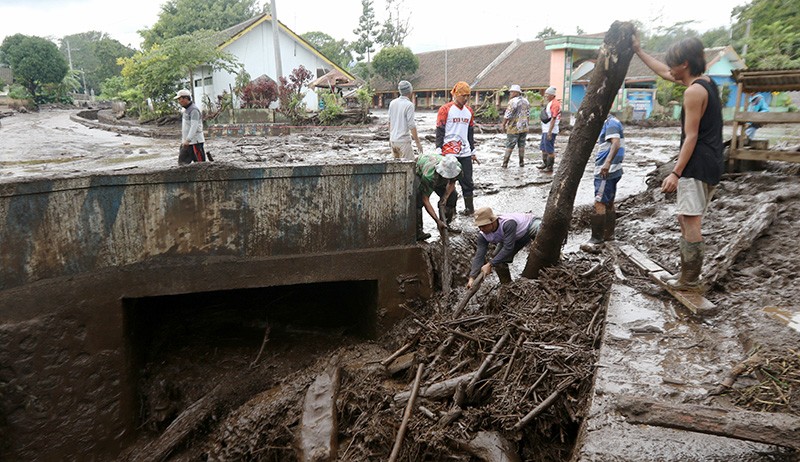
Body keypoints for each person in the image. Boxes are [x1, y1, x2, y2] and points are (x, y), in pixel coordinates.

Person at [634, 36, 724, 291]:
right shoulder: (706, 83)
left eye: (673, 64)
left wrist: (675, 172)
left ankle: (690, 280)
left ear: (684, 64)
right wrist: (639, 51)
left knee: (691, 220)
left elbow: (691, 136)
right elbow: (663, 72)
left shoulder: (693, 92)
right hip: (711, 161)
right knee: (685, 218)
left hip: (697, 165)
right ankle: (687, 275)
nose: (669, 69)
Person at [581, 112, 625, 253]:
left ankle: (596, 239)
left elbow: (616, 143)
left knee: (599, 202)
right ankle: (608, 235)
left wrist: (606, 163)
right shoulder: (613, 122)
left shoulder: (610, 123)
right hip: (614, 169)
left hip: (606, 171)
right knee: (610, 201)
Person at [467, 207, 542, 288]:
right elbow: (479, 255)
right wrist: (472, 277)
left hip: (528, 226)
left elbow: (508, 248)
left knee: (542, 231)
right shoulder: (483, 235)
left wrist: (490, 264)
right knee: (498, 259)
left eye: (484, 226)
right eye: (479, 226)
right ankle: (507, 285)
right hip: (513, 237)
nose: (481, 229)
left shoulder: (508, 223)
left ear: (492, 221)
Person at [436, 81, 477, 215]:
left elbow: (470, 132)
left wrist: (473, 150)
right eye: (463, 95)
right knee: (449, 181)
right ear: (456, 95)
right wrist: (438, 148)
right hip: (449, 151)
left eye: (468, 96)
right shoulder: (445, 109)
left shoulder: (469, 111)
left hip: (464, 151)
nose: (465, 98)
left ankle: (469, 209)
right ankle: (449, 210)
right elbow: (440, 130)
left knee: (467, 181)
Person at [415, 152, 462, 241]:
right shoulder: (429, 176)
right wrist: (437, 220)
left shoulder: (457, 167)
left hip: (437, 174)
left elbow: (452, 182)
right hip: (419, 170)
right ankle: (418, 231)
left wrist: (445, 198)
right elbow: (425, 200)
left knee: (453, 196)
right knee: (418, 199)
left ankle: (446, 224)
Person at [388, 80, 424, 160]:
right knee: (409, 167)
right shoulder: (409, 105)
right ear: (410, 91)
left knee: (396, 167)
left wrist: (391, 138)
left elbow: (389, 122)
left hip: (393, 141)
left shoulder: (392, 103)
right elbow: (411, 125)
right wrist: (418, 142)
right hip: (403, 141)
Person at [174, 89, 207, 165]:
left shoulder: (194, 110)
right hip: (187, 143)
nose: (179, 101)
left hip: (195, 142)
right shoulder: (186, 110)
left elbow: (194, 127)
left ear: (186, 98)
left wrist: (188, 140)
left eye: (180, 99)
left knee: (200, 164)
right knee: (182, 163)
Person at [501, 84, 530, 168]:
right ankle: (521, 162)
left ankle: (505, 163)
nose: (510, 93)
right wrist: (528, 125)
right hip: (524, 127)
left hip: (514, 127)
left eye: (511, 92)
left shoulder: (513, 102)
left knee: (510, 145)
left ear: (516, 92)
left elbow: (508, 114)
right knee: (521, 145)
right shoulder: (526, 101)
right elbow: (528, 115)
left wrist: (503, 125)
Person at [538, 86, 561, 172]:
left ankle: (550, 167)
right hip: (546, 129)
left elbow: (554, 118)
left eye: (547, 95)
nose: (546, 96)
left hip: (550, 130)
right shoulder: (550, 103)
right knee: (543, 147)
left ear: (552, 95)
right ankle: (545, 163)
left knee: (549, 149)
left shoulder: (555, 104)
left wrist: (549, 132)